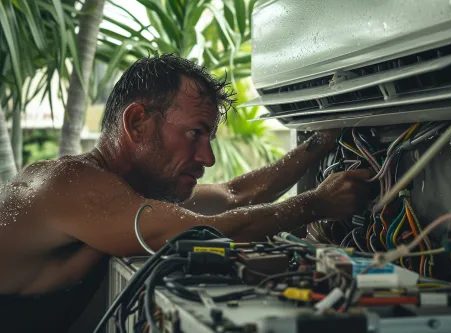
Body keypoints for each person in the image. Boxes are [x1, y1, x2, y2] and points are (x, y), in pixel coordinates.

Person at [0, 54, 371, 331]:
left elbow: (234, 194)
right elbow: (196, 232)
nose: (207, 157)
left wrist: (323, 140)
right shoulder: (68, 183)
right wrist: (317, 203)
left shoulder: (125, 194)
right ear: (136, 122)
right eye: (196, 133)